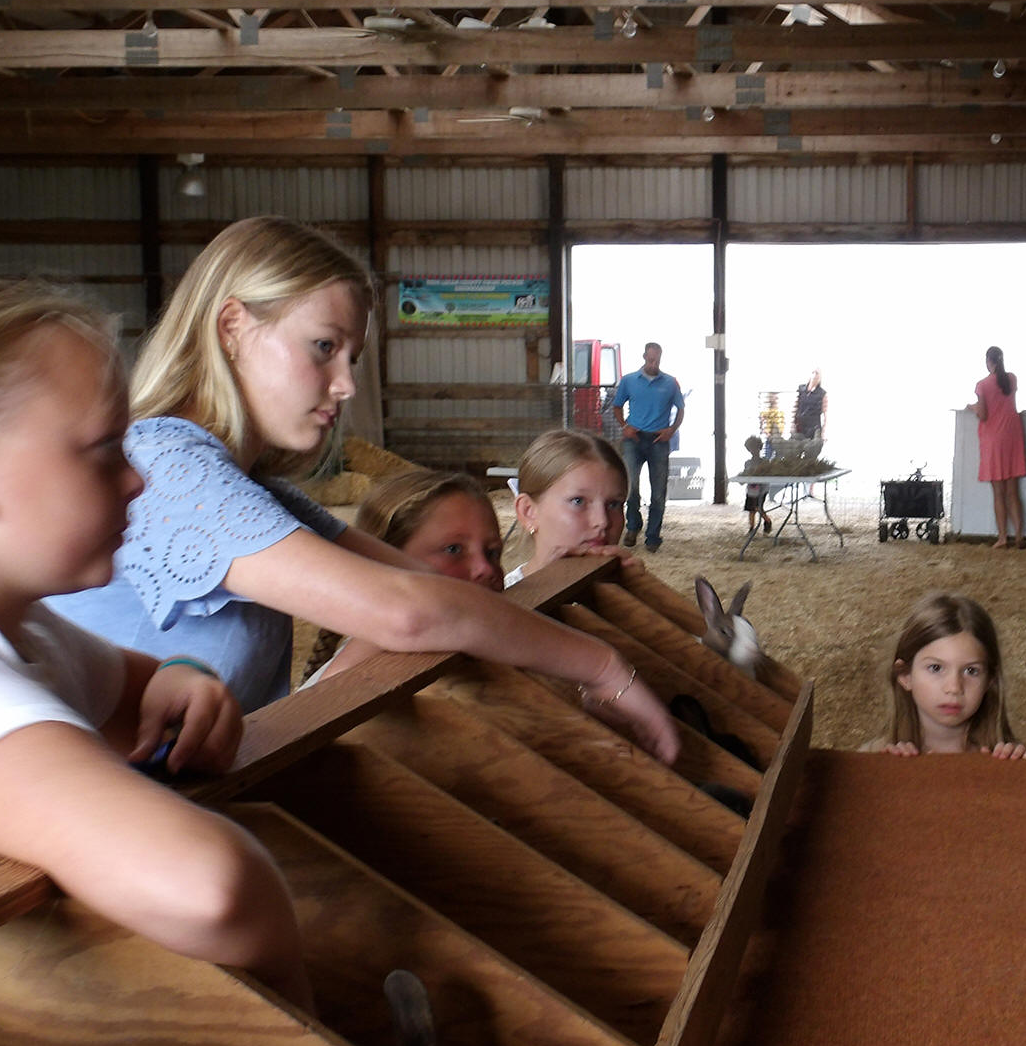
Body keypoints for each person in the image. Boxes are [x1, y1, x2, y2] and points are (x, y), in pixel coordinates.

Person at [0, 270, 311, 1008]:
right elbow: (213, 891)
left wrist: (184, 674)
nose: (136, 481)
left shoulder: (18, 629)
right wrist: (303, 1008)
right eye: (103, 449)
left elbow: (143, 692)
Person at [49, 216, 678, 763]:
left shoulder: (254, 490)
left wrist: (559, 569)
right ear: (233, 326)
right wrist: (601, 665)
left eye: (350, 357)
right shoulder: (167, 465)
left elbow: (435, 588)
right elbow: (408, 610)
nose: (346, 384)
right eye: (324, 347)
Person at [304, 467, 503, 686]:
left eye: (492, 552)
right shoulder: (367, 661)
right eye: (453, 549)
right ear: (383, 560)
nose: (486, 568)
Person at [859, 592, 1026, 758]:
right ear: (905, 674)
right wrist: (883, 772)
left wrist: (1023, 769)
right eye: (936, 668)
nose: (954, 687)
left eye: (971, 671)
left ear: (989, 680)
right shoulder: (874, 758)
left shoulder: (1005, 760)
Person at [506, 428, 635, 587]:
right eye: (578, 501)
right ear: (528, 512)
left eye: (614, 504)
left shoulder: (629, 589)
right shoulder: (501, 598)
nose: (602, 521)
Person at [609, 342, 684, 554]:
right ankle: (633, 525)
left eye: (657, 361)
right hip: (634, 438)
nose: (653, 364)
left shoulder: (670, 383)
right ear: (644, 357)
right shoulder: (629, 381)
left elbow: (681, 409)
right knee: (630, 486)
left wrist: (671, 430)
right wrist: (624, 426)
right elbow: (617, 405)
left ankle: (653, 536)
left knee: (658, 492)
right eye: (650, 360)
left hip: (659, 440)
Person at [971, 345, 1026, 549]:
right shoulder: (1012, 379)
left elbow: (983, 414)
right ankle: (1019, 535)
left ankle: (1003, 537)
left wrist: (972, 407)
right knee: (1013, 492)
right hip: (1013, 437)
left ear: (988, 361)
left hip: (994, 439)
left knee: (998, 493)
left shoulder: (982, 385)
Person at [793, 369, 826, 440]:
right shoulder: (801, 389)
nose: (814, 375)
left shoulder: (822, 393)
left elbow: (825, 415)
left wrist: (823, 432)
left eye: (817, 373)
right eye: (813, 372)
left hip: (813, 429)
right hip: (799, 427)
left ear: (820, 377)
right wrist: (793, 425)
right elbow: (795, 407)